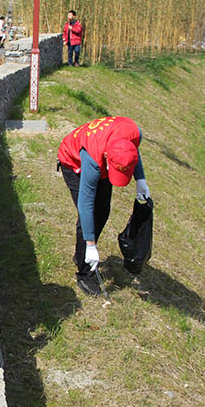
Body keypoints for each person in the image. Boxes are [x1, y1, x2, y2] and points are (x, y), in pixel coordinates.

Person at [56, 116, 150, 296]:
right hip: (73, 161)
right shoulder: (93, 159)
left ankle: (81, 254)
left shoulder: (134, 133)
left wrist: (141, 179)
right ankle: (84, 273)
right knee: (90, 216)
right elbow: (85, 205)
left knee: (103, 211)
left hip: (102, 158)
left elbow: (133, 152)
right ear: (107, 158)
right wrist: (91, 245)